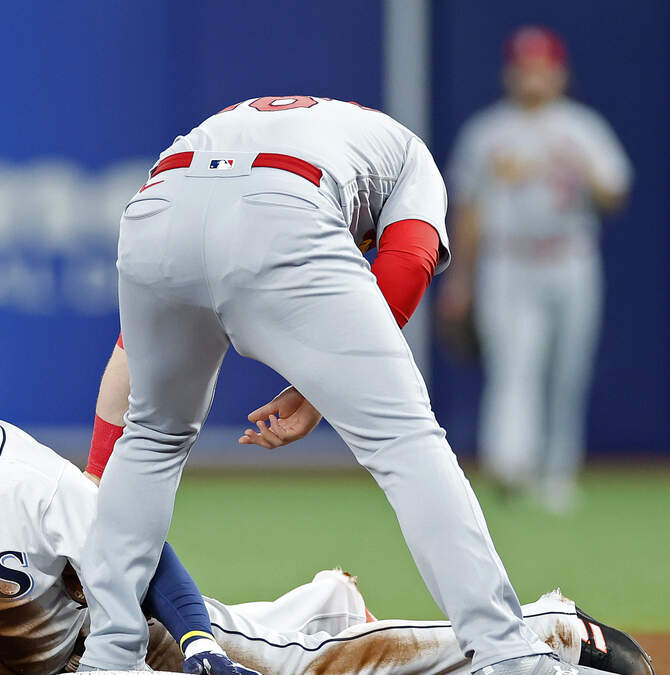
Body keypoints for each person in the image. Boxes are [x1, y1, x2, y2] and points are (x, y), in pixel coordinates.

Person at [0, 300, 652, 675]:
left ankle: (547, 636)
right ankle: (318, 604)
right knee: (284, 638)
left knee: (299, 669)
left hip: (122, 640)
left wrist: (190, 640)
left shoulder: (24, 476)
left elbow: (139, 560)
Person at [75, 94, 613, 675]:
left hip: (156, 206)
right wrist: (319, 391)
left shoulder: (252, 125)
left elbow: (130, 363)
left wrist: (95, 480)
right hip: (282, 204)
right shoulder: (411, 157)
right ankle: (509, 658)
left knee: (153, 435)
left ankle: (109, 659)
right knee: (406, 442)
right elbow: (406, 262)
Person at [438, 26, 632, 512]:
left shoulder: (582, 128)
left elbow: (615, 193)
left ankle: (556, 473)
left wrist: (581, 168)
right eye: (524, 68)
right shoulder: (488, 132)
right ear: (511, 73)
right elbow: (470, 209)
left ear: (559, 73)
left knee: (567, 370)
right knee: (513, 364)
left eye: (541, 68)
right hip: (509, 260)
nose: (533, 77)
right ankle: (510, 463)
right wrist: (460, 278)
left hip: (570, 257)